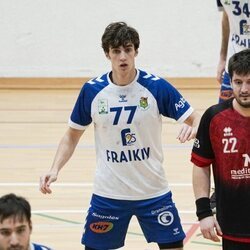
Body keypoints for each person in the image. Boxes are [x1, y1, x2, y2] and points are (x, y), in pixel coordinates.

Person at [39, 21, 200, 250]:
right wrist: (54, 169)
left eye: (128, 49)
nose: (123, 56)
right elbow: (71, 136)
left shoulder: (155, 87)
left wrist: (194, 127)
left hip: (153, 191)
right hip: (109, 194)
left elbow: (198, 118)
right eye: (116, 51)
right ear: (107, 54)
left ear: (136, 51)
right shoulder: (93, 91)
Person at [191, 49, 250, 250]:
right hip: (233, 226)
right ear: (230, 82)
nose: (244, 89)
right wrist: (204, 213)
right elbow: (200, 165)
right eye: (238, 82)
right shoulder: (214, 117)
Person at [211, 0, 250, 212]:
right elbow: (227, 18)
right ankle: (222, 188)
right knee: (224, 128)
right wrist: (222, 57)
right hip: (235, 66)